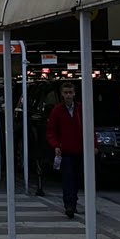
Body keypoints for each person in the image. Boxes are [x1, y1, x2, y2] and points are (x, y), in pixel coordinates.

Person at [46, 80, 84, 218]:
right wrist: (56, 145)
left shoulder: (81, 109)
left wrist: (93, 145)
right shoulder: (57, 110)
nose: (68, 95)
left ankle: (73, 201)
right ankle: (69, 205)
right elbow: (51, 130)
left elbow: (89, 127)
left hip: (80, 149)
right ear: (62, 94)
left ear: (74, 94)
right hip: (65, 150)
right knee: (68, 178)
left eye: (70, 93)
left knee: (78, 178)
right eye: (66, 93)